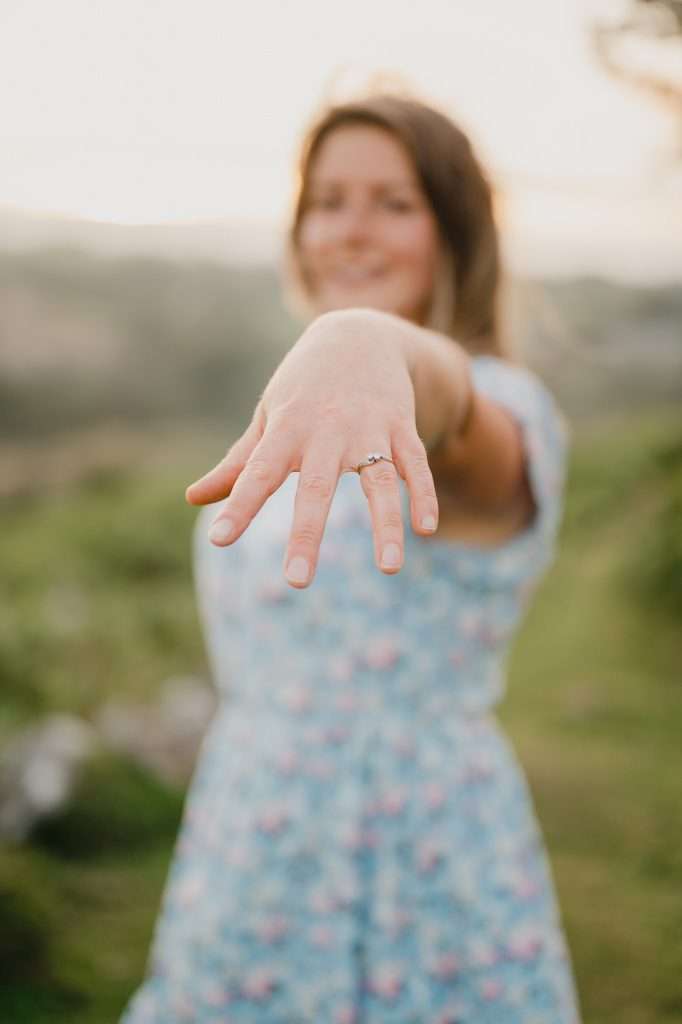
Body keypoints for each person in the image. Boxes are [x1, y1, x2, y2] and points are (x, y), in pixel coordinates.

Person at [121, 93, 582, 1023]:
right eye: (327, 201)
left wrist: (367, 337)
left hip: (415, 862)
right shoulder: (305, 411)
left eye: (394, 203)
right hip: (249, 841)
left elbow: (448, 409)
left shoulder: (499, 414)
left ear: (456, 233)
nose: (351, 231)